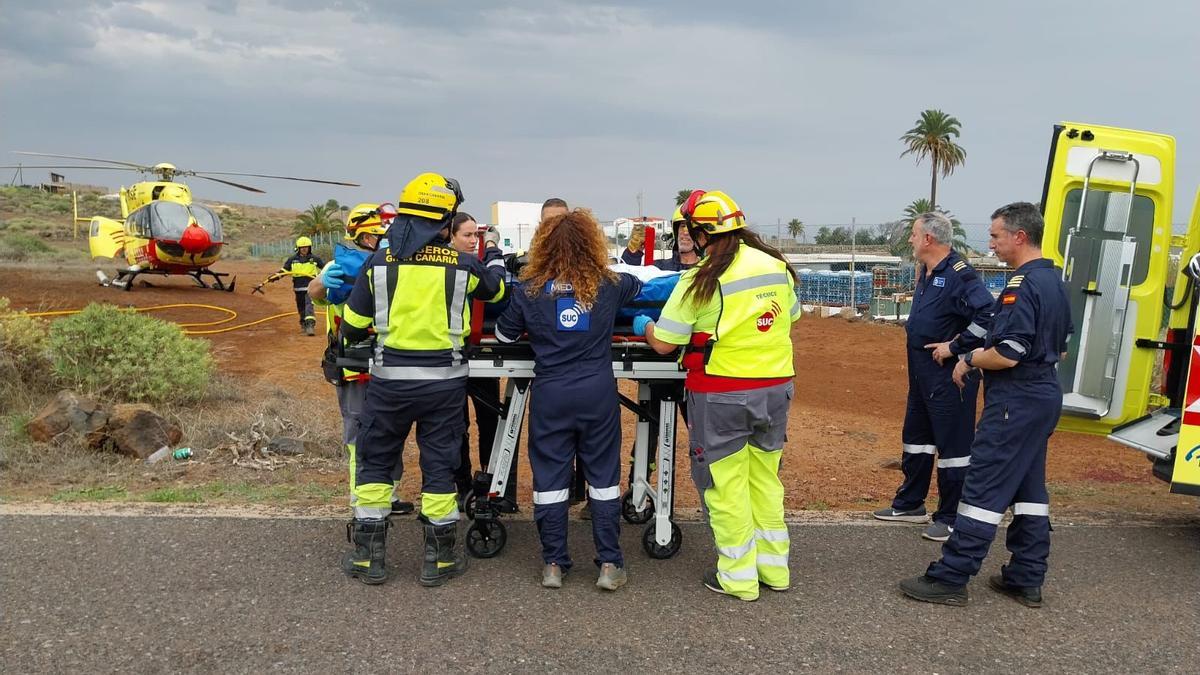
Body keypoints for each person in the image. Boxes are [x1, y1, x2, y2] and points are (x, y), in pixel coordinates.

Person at [900, 202, 1072, 608]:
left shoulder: (1022, 286)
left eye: (995, 236)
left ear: (1020, 236)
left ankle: (951, 576)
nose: (990, 244)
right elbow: (1062, 347)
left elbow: (1009, 352)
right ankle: (1026, 576)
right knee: (1029, 490)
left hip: (1015, 399)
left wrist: (970, 358)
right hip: (1044, 394)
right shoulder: (1054, 281)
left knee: (982, 489)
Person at [338, 173, 506, 587]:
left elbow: (353, 325)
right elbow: (499, 294)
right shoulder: (463, 265)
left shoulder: (379, 263)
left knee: (376, 462)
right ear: (445, 223)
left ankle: (369, 558)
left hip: (388, 385)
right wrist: (494, 256)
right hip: (444, 385)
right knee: (440, 465)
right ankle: (439, 559)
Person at [639, 189, 800, 602]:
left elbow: (666, 343)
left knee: (725, 487)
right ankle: (774, 569)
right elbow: (791, 315)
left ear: (702, 233)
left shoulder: (700, 279)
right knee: (765, 481)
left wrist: (644, 326)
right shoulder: (775, 266)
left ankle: (738, 578)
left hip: (723, 394)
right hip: (776, 390)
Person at [495, 208, 642, 591]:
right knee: (604, 480)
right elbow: (636, 285)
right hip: (597, 393)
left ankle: (553, 564)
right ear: (591, 243)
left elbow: (505, 336)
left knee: (549, 481)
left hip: (551, 394)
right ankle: (609, 564)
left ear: (542, 245)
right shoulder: (608, 284)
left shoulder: (529, 290)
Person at [872, 212, 995, 542]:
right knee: (916, 439)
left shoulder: (958, 273)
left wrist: (955, 347)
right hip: (921, 374)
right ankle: (910, 504)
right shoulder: (927, 271)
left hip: (948, 377)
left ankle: (951, 517)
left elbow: (988, 314)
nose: (910, 239)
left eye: (914, 234)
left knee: (953, 447)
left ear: (928, 239)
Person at [308, 203, 413, 518]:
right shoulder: (341, 266)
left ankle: (388, 494)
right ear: (367, 237)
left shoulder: (392, 264)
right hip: (354, 367)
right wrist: (323, 281)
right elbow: (314, 292)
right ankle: (362, 500)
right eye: (382, 235)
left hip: (388, 362)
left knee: (391, 429)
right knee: (359, 433)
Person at [445, 212, 510, 509]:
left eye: (477, 236)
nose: (473, 241)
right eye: (467, 235)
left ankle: (489, 483)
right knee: (456, 425)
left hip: (481, 353)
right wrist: (494, 251)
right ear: (451, 236)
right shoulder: (457, 267)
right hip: (453, 356)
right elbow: (496, 290)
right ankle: (462, 485)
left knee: (490, 421)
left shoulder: (474, 265)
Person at [272, 237, 325, 335]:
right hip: (298, 289)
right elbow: (284, 271)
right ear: (298, 248)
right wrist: (275, 277)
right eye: (302, 247)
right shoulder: (292, 260)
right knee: (301, 307)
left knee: (309, 305)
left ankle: (310, 326)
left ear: (309, 248)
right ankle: (304, 325)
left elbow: (325, 268)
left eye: (306, 247)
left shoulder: (314, 259)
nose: (304, 249)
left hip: (310, 288)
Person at [653, 207, 701, 272]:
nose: (685, 232)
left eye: (690, 227)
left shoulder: (707, 270)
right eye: (683, 226)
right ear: (676, 232)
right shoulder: (658, 268)